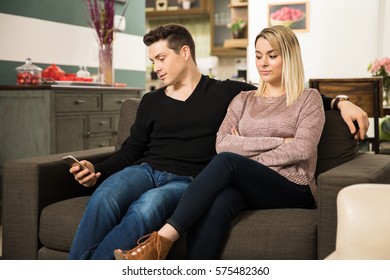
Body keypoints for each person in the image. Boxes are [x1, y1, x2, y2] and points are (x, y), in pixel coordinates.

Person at [68, 24, 368, 260]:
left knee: (152, 204)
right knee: (112, 195)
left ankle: (159, 242)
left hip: (226, 180)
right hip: (168, 172)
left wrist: (341, 102)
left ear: (185, 52)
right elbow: (221, 144)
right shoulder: (239, 99)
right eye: (259, 55)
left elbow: (299, 135)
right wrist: (98, 170)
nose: (155, 67)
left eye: (161, 58)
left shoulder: (230, 91)